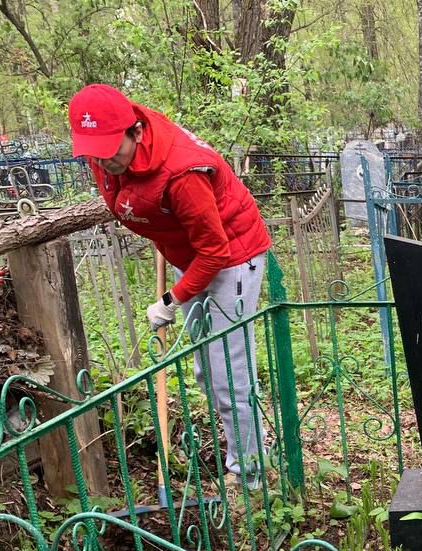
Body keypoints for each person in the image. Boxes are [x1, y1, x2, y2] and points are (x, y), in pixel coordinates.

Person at [68, 84, 272, 487]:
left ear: (136, 132)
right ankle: (252, 445)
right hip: (187, 255)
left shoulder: (182, 172)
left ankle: (250, 475)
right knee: (205, 371)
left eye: (112, 149)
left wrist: (170, 300)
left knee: (228, 375)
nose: (105, 160)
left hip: (231, 258)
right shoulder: (106, 155)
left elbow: (213, 251)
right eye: (95, 150)